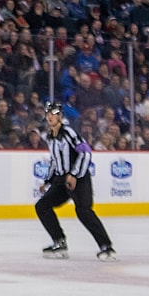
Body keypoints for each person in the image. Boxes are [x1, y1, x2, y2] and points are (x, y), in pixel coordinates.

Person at [36, 102, 118, 261]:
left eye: (53, 114)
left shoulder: (69, 133)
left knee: (83, 211)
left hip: (78, 179)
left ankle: (106, 246)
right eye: (47, 114)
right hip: (61, 180)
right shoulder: (50, 137)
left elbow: (86, 152)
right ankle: (59, 241)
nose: (49, 117)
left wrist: (74, 174)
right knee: (42, 206)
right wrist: (47, 182)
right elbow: (54, 161)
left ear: (60, 116)